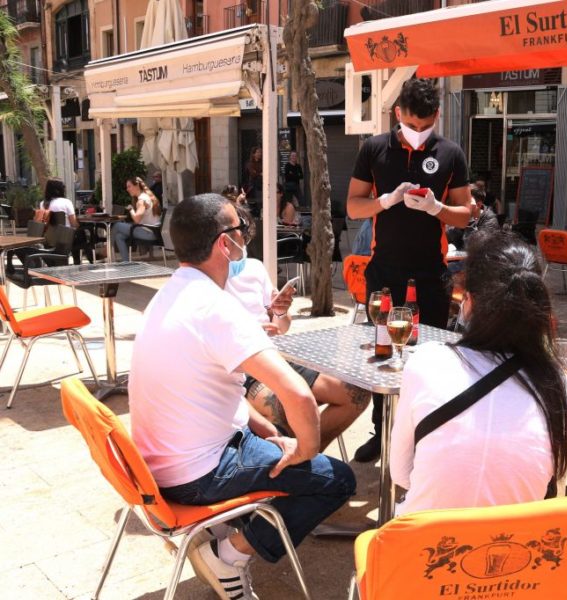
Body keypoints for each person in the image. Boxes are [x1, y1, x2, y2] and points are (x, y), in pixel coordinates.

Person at [129, 194, 355, 600]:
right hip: (198, 474)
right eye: (241, 230)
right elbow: (299, 396)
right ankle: (228, 554)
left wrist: (270, 433)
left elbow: (218, 391)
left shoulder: (167, 296)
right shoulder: (216, 307)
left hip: (159, 467)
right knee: (335, 480)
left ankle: (228, 531)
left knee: (283, 449)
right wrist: (304, 451)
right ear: (223, 243)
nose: (245, 237)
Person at [390, 230, 567, 515]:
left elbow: (401, 473)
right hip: (514, 552)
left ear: (470, 302)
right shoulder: (561, 386)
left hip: (424, 551)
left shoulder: (427, 362)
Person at [347, 77, 472, 462]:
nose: (418, 133)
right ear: (397, 114)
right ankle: (381, 432)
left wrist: (437, 209)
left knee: (428, 359)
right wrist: (384, 201)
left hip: (431, 275)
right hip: (384, 272)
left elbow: (466, 215)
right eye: (411, 124)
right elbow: (353, 206)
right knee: (382, 353)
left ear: (436, 116)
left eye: (425, 125)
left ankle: (423, 437)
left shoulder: (450, 153)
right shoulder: (374, 149)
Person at [223, 202, 370, 450]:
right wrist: (250, 335)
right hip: (242, 368)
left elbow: (282, 325)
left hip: (276, 355)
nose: (242, 239)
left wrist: (280, 312)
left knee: (355, 392)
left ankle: (305, 456)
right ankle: (296, 464)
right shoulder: (204, 281)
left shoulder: (254, 268)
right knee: (289, 409)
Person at [7, 178, 93, 269]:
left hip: (49, 239)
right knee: (81, 234)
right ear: (60, 189)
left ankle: (78, 262)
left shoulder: (43, 204)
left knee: (77, 234)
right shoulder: (66, 202)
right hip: (65, 240)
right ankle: (86, 262)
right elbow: (74, 224)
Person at [112, 177, 161, 262]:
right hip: (153, 232)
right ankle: (126, 263)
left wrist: (131, 209)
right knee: (119, 236)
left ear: (137, 185)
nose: (127, 189)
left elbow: (137, 220)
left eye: (129, 186)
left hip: (148, 233)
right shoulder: (146, 196)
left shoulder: (142, 200)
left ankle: (107, 250)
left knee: (117, 225)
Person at [243, 146, 263, 215]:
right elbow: (252, 174)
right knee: (255, 202)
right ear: (254, 154)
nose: (259, 154)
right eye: (258, 152)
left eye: (260, 152)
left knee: (261, 202)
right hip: (253, 186)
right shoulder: (249, 163)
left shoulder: (262, 163)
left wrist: (257, 173)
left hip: (261, 185)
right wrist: (259, 174)